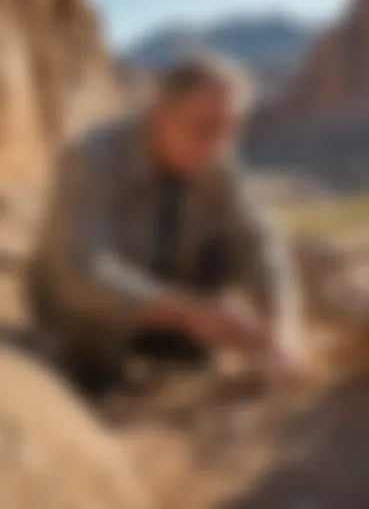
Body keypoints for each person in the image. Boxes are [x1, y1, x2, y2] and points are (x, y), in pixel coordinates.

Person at [26, 56, 302, 394]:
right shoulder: (93, 159)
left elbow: (256, 238)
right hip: (86, 325)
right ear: (160, 112)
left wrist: (282, 323)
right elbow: (81, 271)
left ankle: (179, 350)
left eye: (229, 130)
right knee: (92, 364)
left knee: (225, 251)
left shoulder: (216, 160)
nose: (217, 144)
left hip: (167, 310)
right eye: (203, 126)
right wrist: (192, 315)